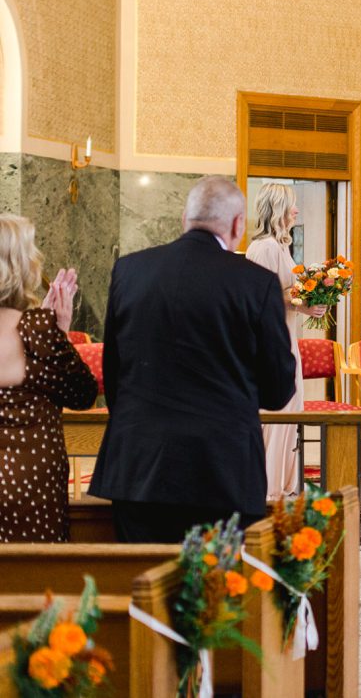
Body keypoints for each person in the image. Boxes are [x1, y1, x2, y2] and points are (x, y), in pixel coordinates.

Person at [90, 177, 296, 543]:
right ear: (237, 225)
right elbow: (278, 391)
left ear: (184, 218)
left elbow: (114, 371)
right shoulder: (256, 283)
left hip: (139, 468)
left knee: (141, 591)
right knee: (215, 594)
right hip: (222, 470)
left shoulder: (130, 271)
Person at [0, 219, 96, 542]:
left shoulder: (38, 327)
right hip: (31, 489)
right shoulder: (37, 329)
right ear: (19, 267)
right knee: (36, 583)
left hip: (32, 486)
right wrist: (60, 332)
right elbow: (83, 395)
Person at [245, 183, 326, 499]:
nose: (296, 210)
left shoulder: (280, 246)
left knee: (291, 412)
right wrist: (299, 302)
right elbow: (260, 298)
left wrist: (308, 301)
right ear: (276, 209)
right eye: (291, 205)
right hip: (270, 343)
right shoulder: (263, 248)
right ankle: (269, 483)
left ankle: (286, 479)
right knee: (277, 414)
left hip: (285, 336)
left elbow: (283, 293)